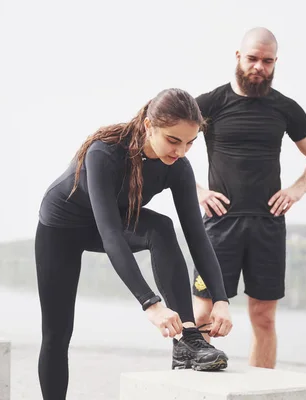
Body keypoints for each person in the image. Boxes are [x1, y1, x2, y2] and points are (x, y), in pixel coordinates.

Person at [35, 88, 234, 400]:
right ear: (148, 126)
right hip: (61, 228)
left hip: (112, 221)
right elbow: (111, 234)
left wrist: (220, 298)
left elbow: (196, 235)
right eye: (173, 140)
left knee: (162, 228)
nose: (181, 151)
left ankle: (187, 339)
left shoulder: (178, 166)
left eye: (190, 143)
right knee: (57, 334)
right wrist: (150, 303)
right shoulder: (104, 153)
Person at [190, 27, 306, 369]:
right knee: (202, 313)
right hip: (219, 227)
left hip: (268, 227)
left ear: (275, 63)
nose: (259, 67)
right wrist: (197, 192)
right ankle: (193, 385)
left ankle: (260, 390)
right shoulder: (209, 104)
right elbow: (165, 149)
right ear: (238, 57)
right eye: (252, 59)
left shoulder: (285, 108)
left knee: (264, 318)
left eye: (267, 61)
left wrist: (296, 190)